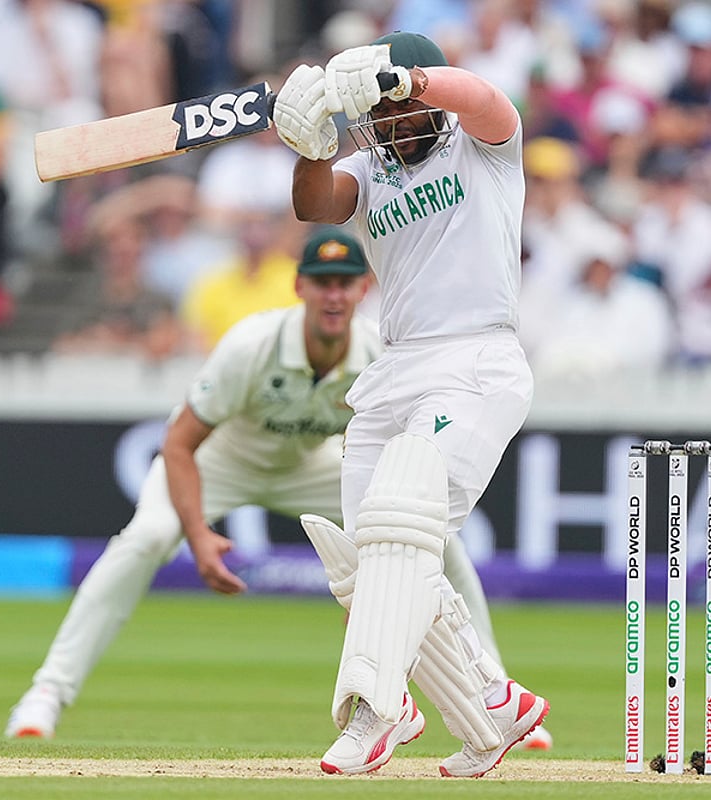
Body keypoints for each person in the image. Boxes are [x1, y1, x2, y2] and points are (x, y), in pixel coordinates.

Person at [3, 227, 530, 745]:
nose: (333, 294)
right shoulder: (252, 345)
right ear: (299, 286)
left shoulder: (375, 352)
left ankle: (494, 696)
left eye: (345, 282)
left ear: (363, 289)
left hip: (310, 465)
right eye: (322, 281)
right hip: (219, 461)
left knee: (426, 534)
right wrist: (197, 534)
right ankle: (46, 694)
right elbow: (179, 444)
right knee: (143, 540)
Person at [271, 31, 549, 777]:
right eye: (382, 118)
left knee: (402, 523)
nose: (392, 129)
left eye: (400, 113)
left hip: (475, 363)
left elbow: (488, 100)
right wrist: (313, 142)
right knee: (371, 567)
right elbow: (316, 204)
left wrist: (407, 80)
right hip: (395, 367)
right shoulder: (372, 166)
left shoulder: (483, 148)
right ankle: (493, 705)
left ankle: (376, 710)